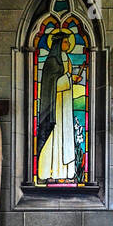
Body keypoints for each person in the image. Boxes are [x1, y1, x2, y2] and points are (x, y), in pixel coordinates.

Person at [36, 31, 79, 183]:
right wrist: (69, 78)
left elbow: (63, 81)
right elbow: (51, 85)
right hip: (55, 107)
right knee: (55, 137)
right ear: (58, 44)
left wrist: (71, 79)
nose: (67, 44)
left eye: (68, 42)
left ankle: (65, 173)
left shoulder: (66, 59)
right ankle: (49, 172)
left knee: (65, 137)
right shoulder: (52, 61)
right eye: (65, 42)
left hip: (66, 106)